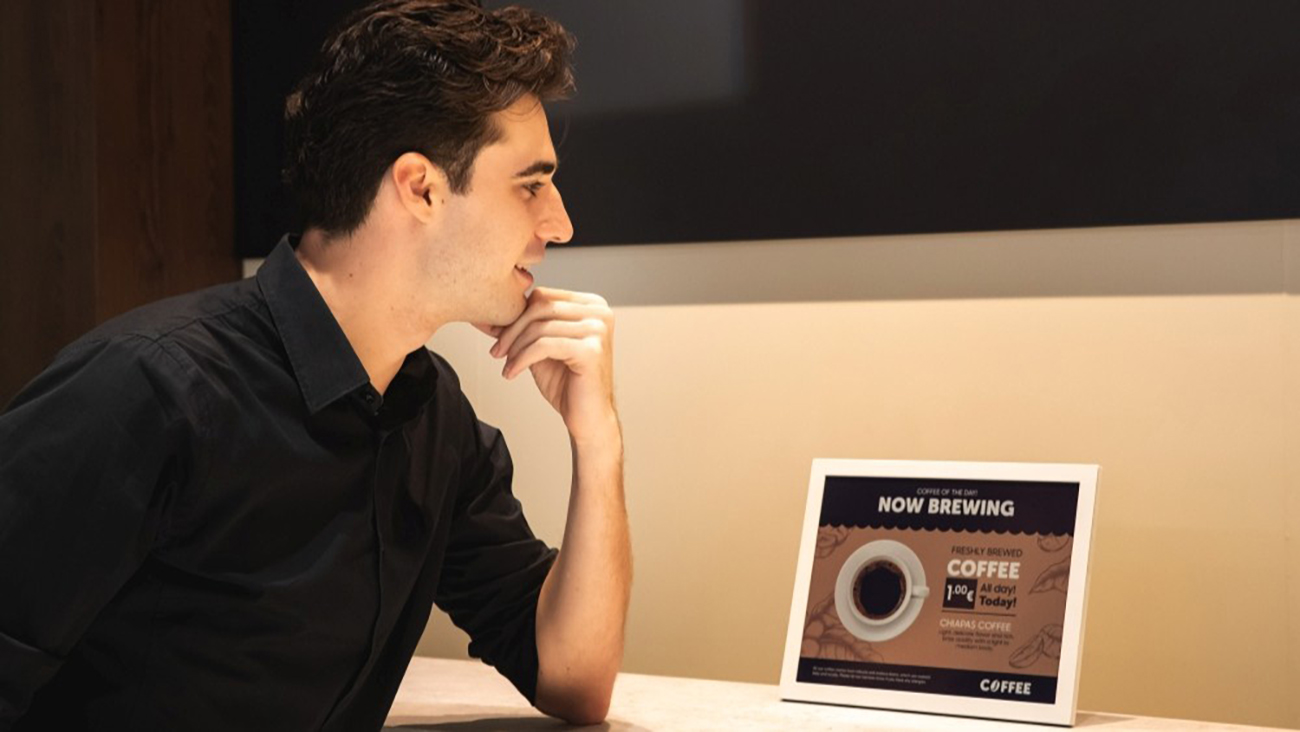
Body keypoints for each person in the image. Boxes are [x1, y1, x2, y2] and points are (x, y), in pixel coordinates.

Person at [0, 1, 630, 729]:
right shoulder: (147, 389)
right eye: (531, 184)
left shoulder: (431, 416)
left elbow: (573, 680)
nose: (559, 222)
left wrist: (599, 442)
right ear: (419, 187)